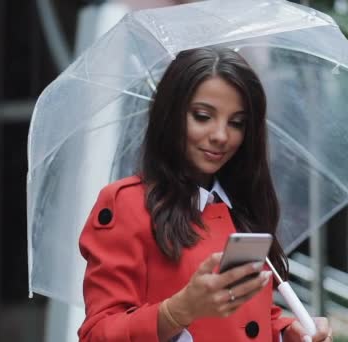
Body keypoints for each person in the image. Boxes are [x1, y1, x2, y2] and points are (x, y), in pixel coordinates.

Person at [77, 47, 332, 342]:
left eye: (237, 123)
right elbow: (97, 334)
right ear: (170, 115)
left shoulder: (241, 206)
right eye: (202, 116)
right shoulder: (126, 205)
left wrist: (289, 333)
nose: (221, 136)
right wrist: (178, 311)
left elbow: (249, 320)